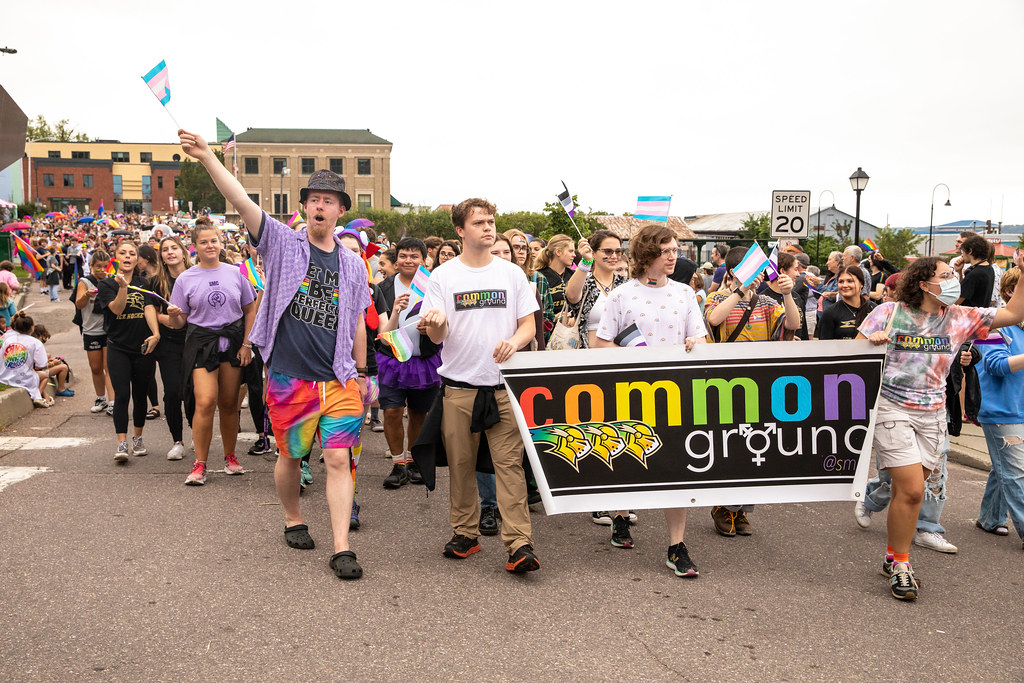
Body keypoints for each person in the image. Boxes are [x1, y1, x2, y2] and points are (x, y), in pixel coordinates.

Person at [180, 129, 370, 581]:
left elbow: (359, 320)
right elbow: (244, 202)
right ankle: (292, 517)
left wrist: (363, 373)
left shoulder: (352, 264)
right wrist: (208, 157)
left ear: (342, 210)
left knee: (340, 459)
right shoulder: (284, 243)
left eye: (329, 199)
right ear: (305, 207)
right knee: (291, 456)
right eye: (314, 199)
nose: (320, 205)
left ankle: (342, 546)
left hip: (339, 379)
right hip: (289, 377)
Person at [857, 256, 1024, 600]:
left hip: (933, 416)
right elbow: (849, 359)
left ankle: (891, 555)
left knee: (909, 492)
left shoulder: (961, 318)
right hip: (892, 409)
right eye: (946, 276)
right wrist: (871, 341)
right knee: (914, 489)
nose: (954, 281)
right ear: (923, 283)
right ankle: (902, 565)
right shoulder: (888, 313)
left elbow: (1015, 314)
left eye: (954, 275)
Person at [419, 197, 541, 573]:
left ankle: (519, 543)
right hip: (458, 389)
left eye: (490, 221)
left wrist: (515, 342)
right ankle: (465, 534)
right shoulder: (443, 277)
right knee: (461, 465)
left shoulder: (511, 274)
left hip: (504, 389)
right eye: (479, 223)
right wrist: (436, 321)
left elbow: (529, 325)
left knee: (509, 467)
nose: (488, 228)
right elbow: (436, 337)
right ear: (460, 230)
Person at [594, 223, 707, 575]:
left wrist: (694, 345)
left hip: (675, 392)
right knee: (628, 459)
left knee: (676, 468)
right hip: (630, 392)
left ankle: (677, 545)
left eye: (676, 250)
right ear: (647, 254)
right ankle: (620, 516)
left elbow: (701, 340)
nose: (674, 256)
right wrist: (633, 359)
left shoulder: (685, 294)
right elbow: (600, 343)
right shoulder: (621, 296)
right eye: (667, 251)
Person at [704, 246, 800, 536]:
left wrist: (787, 293)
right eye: (753, 269)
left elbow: (793, 326)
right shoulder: (717, 297)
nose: (760, 276)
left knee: (756, 449)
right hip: (725, 385)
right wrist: (739, 291)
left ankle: (741, 509)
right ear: (735, 272)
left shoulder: (768, 303)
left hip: (760, 385)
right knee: (730, 449)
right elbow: (714, 320)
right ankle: (723, 507)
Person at [375, 236, 443, 491]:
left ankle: (414, 460)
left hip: (424, 359)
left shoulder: (432, 285)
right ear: (396, 258)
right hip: (392, 359)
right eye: (403, 255)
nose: (408, 260)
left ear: (424, 260)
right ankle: (397, 463)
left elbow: (445, 322)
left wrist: (433, 328)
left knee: (418, 413)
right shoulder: (383, 287)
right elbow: (383, 334)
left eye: (415, 256)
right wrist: (395, 311)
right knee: (391, 411)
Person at [95, 240, 161, 462]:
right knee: (122, 395)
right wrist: (123, 287)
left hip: (143, 347)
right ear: (116, 257)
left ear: (137, 259)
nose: (127, 256)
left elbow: (149, 307)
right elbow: (116, 309)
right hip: (118, 347)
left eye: (132, 253)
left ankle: (138, 438)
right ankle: (121, 443)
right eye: (122, 253)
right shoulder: (106, 284)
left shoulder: (145, 283)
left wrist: (156, 333)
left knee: (141, 394)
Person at [974, 264, 1024, 548]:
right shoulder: (993, 326)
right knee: (1015, 472)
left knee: (1005, 468)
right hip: (1002, 410)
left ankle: (990, 518)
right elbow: (996, 366)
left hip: (1020, 408)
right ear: (1009, 292)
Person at [151, 236, 193, 460]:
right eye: (165, 250)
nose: (170, 252)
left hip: (194, 340)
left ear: (183, 251)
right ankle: (177, 440)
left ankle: (198, 430)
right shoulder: (157, 282)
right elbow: (152, 311)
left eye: (174, 248)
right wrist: (166, 319)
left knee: (194, 392)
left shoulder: (197, 274)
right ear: (161, 257)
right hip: (168, 343)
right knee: (173, 393)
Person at [0, 313, 58, 408]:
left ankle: (43, 396)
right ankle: (37, 397)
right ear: (32, 328)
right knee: (44, 376)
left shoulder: (8, 340)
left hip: (4, 376)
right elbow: (41, 364)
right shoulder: (35, 342)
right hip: (22, 377)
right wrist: (52, 363)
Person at [531, 234, 576, 343]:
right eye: (570, 251)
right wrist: (555, 318)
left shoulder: (574, 275)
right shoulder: (539, 277)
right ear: (558, 252)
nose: (574, 255)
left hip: (571, 335)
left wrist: (573, 317)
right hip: (548, 336)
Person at [816, 266, 875, 340]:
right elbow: (824, 346)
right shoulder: (830, 313)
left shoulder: (874, 310)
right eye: (841, 281)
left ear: (861, 284)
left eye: (850, 281)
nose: (844, 285)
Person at [957, 235, 995, 307]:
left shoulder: (974, 274)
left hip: (969, 316)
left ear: (970, 251)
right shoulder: (989, 268)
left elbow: (957, 300)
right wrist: (959, 271)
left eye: (963, 251)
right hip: (981, 314)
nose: (962, 255)